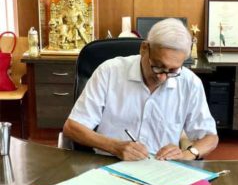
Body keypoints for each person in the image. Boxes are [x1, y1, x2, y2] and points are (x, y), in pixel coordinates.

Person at [63, 18, 218, 161]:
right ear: (144, 48)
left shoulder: (189, 83)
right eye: (158, 66)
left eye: (173, 70)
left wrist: (188, 154)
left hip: (161, 170)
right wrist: (114, 146)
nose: (162, 77)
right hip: (110, 164)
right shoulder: (109, 72)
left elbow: (210, 137)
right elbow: (73, 128)